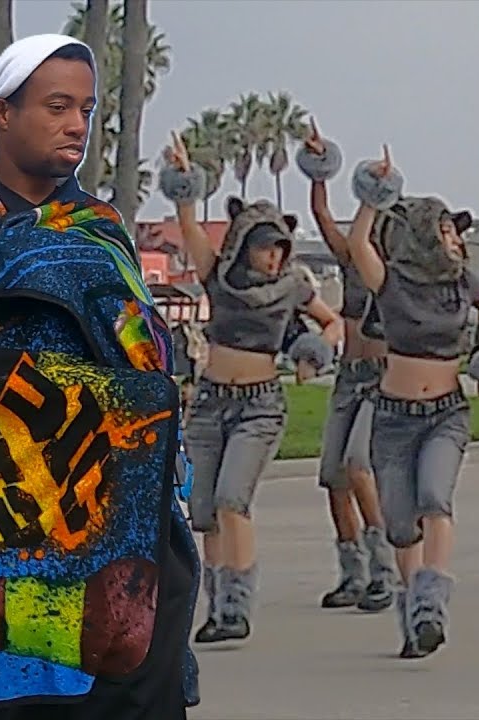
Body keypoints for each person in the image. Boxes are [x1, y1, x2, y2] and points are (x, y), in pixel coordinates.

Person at [0, 34, 199, 718]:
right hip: (3, 534)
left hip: (129, 538)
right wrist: (96, 405)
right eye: (57, 106)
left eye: (87, 109)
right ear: (3, 113)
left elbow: (144, 347)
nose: (76, 124)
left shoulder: (97, 226)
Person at [159, 134, 344, 646]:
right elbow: (190, 226)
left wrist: (314, 353)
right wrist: (184, 179)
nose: (274, 257)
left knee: (231, 499)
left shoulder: (293, 285)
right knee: (205, 510)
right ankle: (219, 607)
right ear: (246, 245)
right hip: (210, 403)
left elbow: (332, 323)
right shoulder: (218, 276)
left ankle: (238, 606)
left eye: (281, 248)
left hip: (259, 406)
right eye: (266, 247)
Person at [346, 146, 479, 658]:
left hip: (446, 412)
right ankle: (414, 618)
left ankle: (431, 602)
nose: (456, 239)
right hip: (394, 416)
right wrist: (374, 193)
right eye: (446, 230)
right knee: (401, 525)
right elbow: (358, 243)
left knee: (435, 499)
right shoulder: (391, 281)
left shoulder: (464, 281)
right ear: (424, 234)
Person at [296, 121, 399, 613]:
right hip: (349, 377)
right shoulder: (350, 261)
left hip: (382, 379)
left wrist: (380, 193)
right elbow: (320, 213)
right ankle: (352, 573)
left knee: (360, 465)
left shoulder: (398, 272)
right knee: (335, 478)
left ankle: (385, 568)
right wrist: (320, 169)